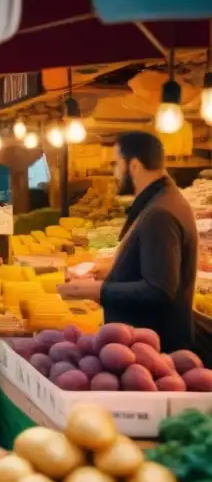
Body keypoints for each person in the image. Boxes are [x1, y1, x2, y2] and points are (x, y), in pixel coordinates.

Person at [58, 132, 197, 353]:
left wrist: (98, 290)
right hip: (145, 344)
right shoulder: (162, 200)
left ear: (134, 166)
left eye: (117, 164)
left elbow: (158, 291)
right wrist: (115, 270)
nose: (114, 173)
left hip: (154, 349)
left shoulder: (160, 213)